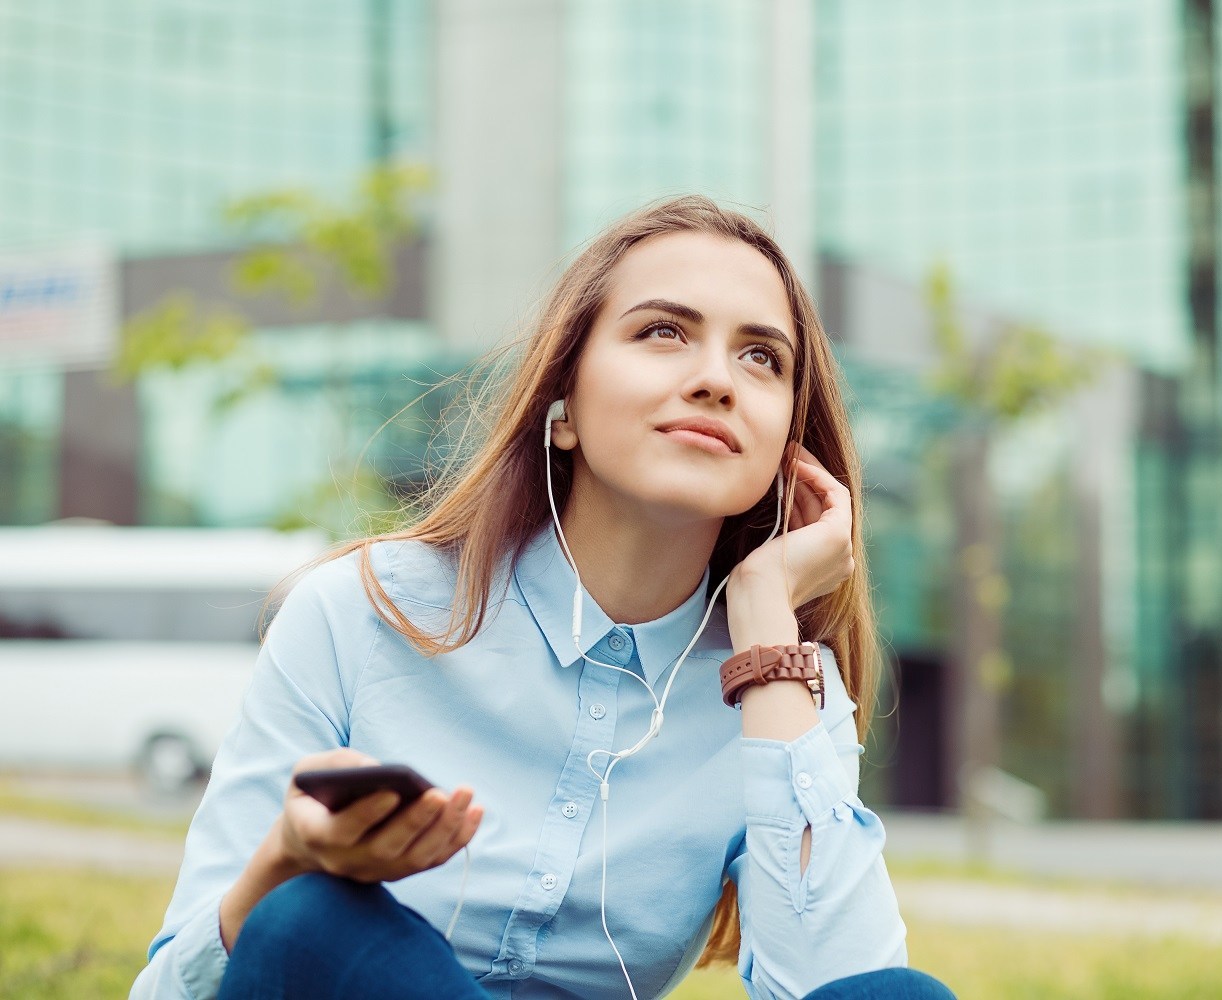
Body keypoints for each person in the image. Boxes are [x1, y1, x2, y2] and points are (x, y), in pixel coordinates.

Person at [131, 195, 956, 1000]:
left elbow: (840, 985)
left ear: (786, 448)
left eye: (760, 357)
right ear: (562, 410)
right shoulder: (356, 613)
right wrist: (285, 856)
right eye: (663, 332)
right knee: (304, 921)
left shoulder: (782, 694)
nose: (715, 380)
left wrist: (769, 617)